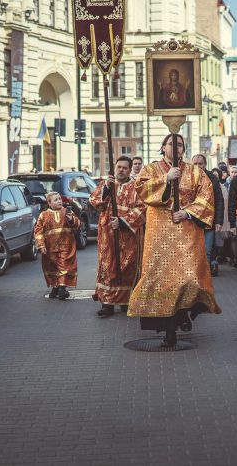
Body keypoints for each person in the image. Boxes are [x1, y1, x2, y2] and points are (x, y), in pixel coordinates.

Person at [128, 133, 220, 347]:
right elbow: (141, 189)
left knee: (191, 279)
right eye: (172, 144)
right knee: (162, 281)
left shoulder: (196, 172)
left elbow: (207, 197)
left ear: (184, 149)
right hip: (159, 235)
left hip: (187, 233)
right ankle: (169, 331)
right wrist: (166, 179)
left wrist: (187, 213)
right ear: (163, 147)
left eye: (180, 144)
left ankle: (187, 312)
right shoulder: (150, 170)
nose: (176, 148)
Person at [89, 156, 145, 318]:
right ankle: (107, 303)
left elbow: (142, 209)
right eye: (119, 167)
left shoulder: (135, 187)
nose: (121, 170)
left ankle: (125, 301)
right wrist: (106, 188)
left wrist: (122, 221)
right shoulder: (107, 184)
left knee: (127, 267)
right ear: (115, 168)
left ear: (129, 170)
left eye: (124, 168)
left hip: (128, 235)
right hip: (107, 234)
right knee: (108, 267)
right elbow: (94, 201)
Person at [34, 192, 80, 300]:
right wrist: (41, 245)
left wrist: (71, 220)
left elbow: (77, 224)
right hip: (50, 247)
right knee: (52, 266)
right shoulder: (44, 215)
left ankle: (62, 288)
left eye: (60, 199)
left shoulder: (68, 212)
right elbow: (38, 231)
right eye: (55, 200)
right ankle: (55, 287)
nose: (59, 201)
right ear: (49, 203)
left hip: (66, 245)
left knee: (63, 265)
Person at [192, 153, 224, 277]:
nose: (198, 166)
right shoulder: (187, 177)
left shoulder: (212, 178)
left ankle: (204, 277)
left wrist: (219, 221)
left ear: (205, 164)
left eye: (200, 163)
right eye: (195, 163)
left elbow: (219, 200)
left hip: (208, 221)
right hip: (192, 220)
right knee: (193, 250)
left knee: (207, 251)